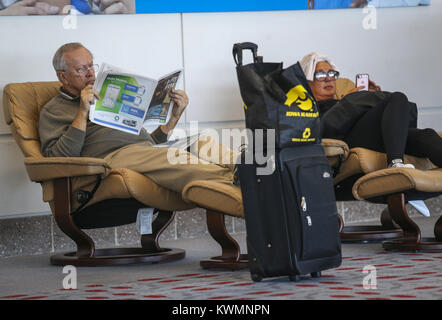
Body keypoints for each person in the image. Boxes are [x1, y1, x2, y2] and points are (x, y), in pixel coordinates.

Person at [39, 42, 237, 195]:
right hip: (111, 158)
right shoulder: (54, 110)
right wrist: (82, 112)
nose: (90, 73)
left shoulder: (109, 93)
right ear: (63, 77)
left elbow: (149, 144)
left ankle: (249, 169)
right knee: (171, 158)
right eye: (81, 69)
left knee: (202, 142)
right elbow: (58, 159)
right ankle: (238, 181)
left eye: (91, 66)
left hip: (144, 150)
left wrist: (173, 118)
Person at [300, 52, 442, 169]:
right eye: (319, 75)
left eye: (331, 74)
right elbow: (323, 127)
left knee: (426, 135)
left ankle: (396, 152)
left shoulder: (344, 99)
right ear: (307, 81)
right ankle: (395, 163)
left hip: (376, 135)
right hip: (344, 137)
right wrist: (354, 100)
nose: (328, 79)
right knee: (396, 98)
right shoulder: (305, 106)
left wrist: (373, 100)